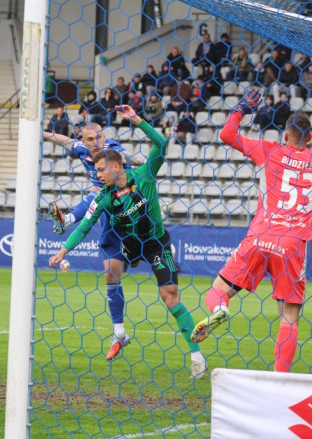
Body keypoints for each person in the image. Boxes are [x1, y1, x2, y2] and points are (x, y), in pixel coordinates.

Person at [190, 89, 312, 372]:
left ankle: (219, 310)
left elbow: (227, 135)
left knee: (218, 289)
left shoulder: (270, 150)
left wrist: (242, 107)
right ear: (310, 137)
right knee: (289, 316)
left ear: (285, 135)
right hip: (292, 243)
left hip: (260, 236)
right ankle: (281, 379)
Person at [48, 105, 207, 378]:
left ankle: (196, 355)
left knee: (169, 295)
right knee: (111, 271)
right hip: (128, 244)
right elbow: (85, 227)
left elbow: (161, 143)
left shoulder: (145, 174)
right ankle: (119, 332)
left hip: (156, 243)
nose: (97, 175)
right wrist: (62, 251)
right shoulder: (103, 197)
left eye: (100, 170)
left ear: (116, 166)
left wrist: (136, 120)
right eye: (95, 170)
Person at [42, 121, 138, 363]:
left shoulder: (113, 151)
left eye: (98, 138)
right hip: (108, 212)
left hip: (132, 211)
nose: (96, 143)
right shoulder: (83, 151)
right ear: (83, 141)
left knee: (167, 290)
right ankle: (119, 333)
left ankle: (68, 220)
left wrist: (141, 161)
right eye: (90, 140)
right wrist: (38, 133)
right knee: (110, 275)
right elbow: (64, 140)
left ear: (104, 137)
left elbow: (134, 159)